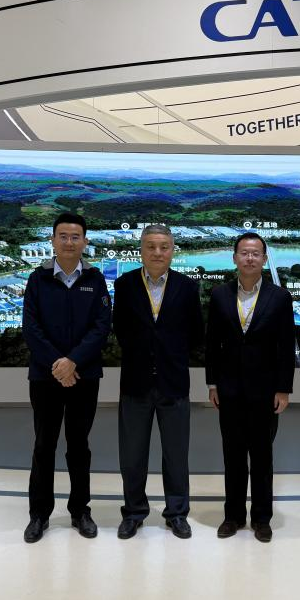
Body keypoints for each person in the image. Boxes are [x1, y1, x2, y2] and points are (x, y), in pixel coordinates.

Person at [21, 212, 111, 544]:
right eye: (63, 236)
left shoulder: (95, 279)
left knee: (79, 446)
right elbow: (31, 328)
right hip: (45, 378)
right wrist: (58, 365)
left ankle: (80, 511)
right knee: (44, 445)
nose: (69, 242)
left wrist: (73, 362)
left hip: (84, 376)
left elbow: (101, 327)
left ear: (85, 242)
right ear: (53, 240)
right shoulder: (38, 279)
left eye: (75, 237)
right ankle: (39, 514)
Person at [112, 224, 204, 539]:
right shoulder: (125, 284)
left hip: (174, 383)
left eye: (164, 247)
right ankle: (134, 512)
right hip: (135, 382)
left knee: (176, 456)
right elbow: (121, 329)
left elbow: (195, 333)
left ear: (172, 250)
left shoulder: (187, 287)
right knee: (132, 456)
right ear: (141, 249)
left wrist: (168, 355)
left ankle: (177, 513)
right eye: (151, 246)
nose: (157, 252)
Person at [205, 232, 295, 543]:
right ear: (234, 258)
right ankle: (232, 516)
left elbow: (286, 347)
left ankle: (261, 518)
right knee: (232, 456)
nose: (250, 258)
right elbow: (212, 344)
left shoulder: (279, 297)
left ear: (264, 259)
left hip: (265, 392)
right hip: (228, 389)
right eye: (244, 252)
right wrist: (212, 383)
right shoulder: (220, 295)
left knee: (262, 457)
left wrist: (283, 389)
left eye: (256, 253)